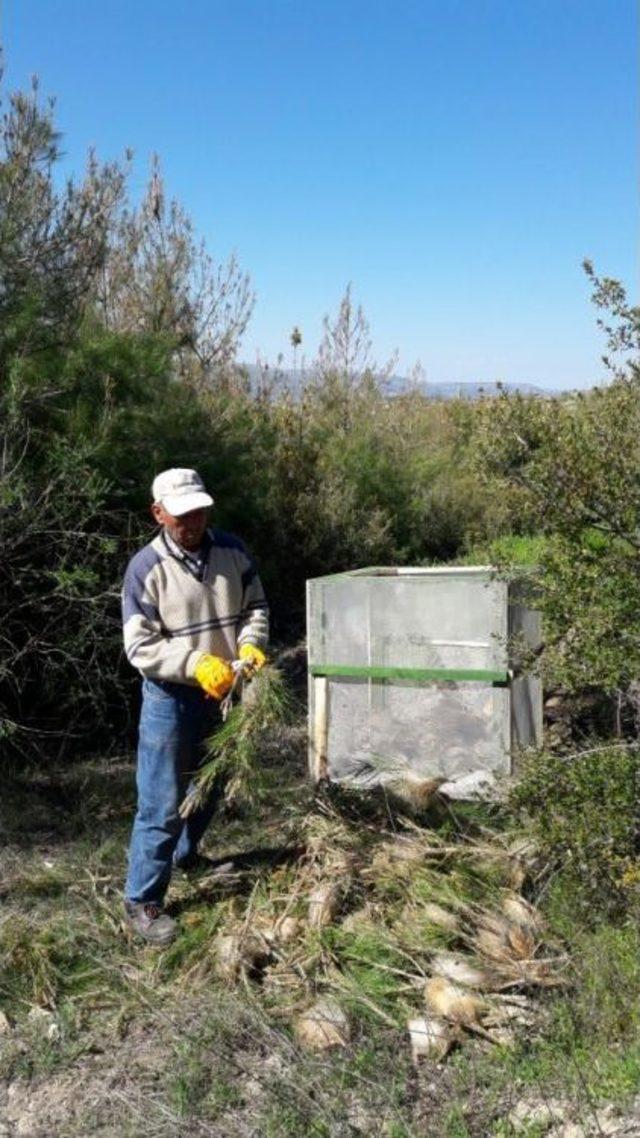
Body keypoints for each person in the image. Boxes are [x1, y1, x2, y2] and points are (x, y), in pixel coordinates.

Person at [121, 467, 269, 945]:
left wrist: (249, 646)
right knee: (162, 801)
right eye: (182, 514)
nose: (194, 522)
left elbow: (255, 609)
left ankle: (187, 855)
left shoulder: (232, 551)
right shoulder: (146, 569)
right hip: (171, 698)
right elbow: (140, 647)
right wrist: (193, 663)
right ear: (159, 513)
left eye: (200, 511)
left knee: (210, 784)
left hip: (226, 694)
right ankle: (141, 901)